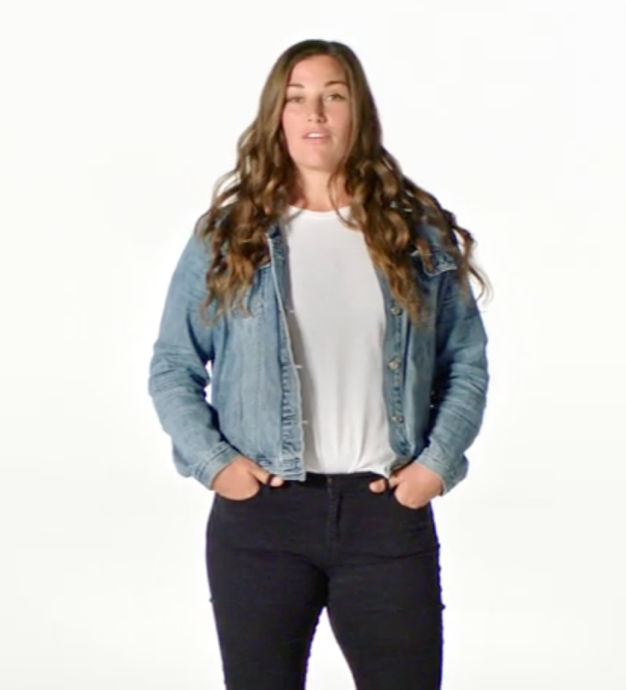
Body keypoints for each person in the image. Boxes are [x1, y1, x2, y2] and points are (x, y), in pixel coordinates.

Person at [148, 38, 490, 690]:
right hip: (263, 521)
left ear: (358, 111)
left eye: (334, 96)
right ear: (276, 116)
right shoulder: (228, 238)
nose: (316, 114)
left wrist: (434, 467)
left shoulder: (413, 235)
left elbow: (465, 361)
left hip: (385, 515)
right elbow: (173, 365)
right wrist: (217, 465)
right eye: (298, 99)